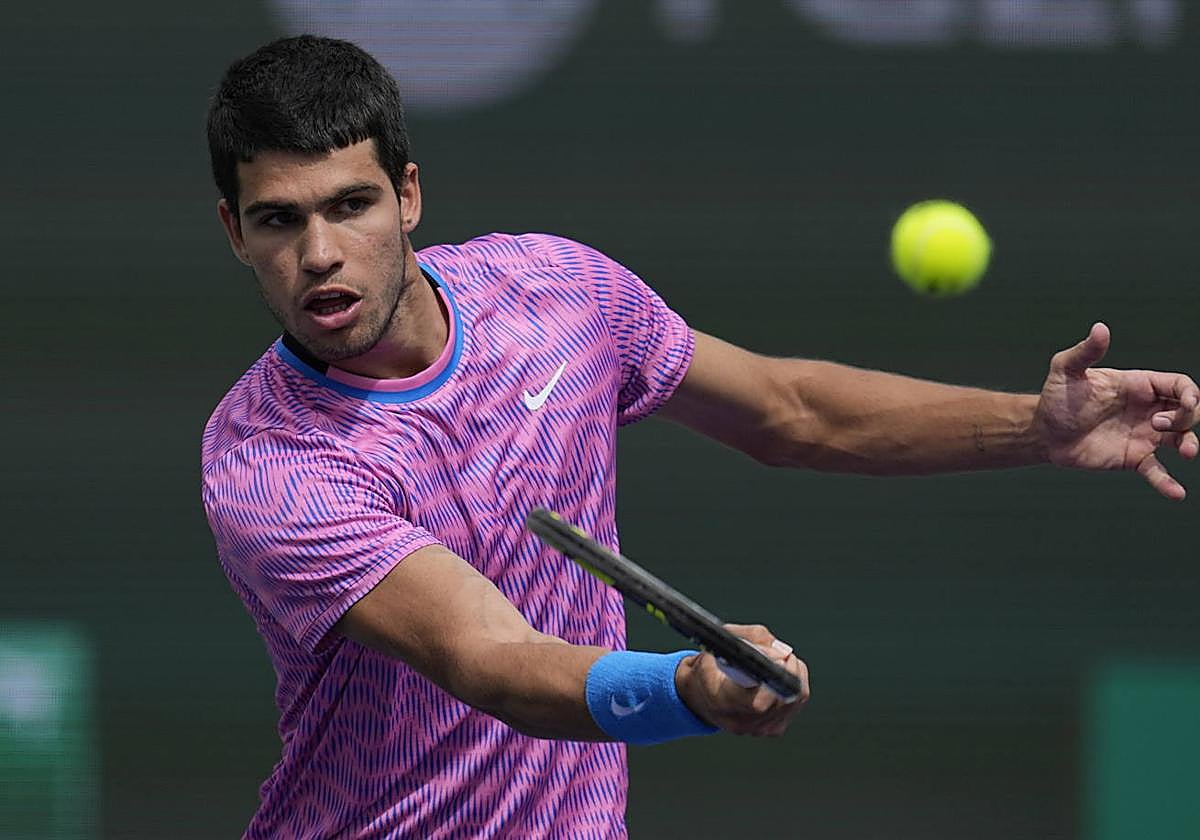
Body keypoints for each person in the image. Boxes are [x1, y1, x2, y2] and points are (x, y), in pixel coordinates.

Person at [201, 35, 1198, 840]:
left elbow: (791, 410)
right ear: (236, 234)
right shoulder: (267, 467)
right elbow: (489, 656)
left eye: (351, 205)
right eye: (279, 221)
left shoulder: (558, 292)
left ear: (408, 196)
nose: (321, 254)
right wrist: (687, 687)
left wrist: (1037, 424)